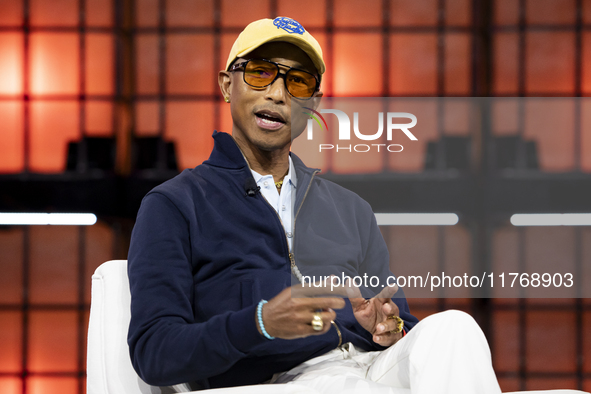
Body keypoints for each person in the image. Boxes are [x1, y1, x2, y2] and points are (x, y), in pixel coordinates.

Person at [127, 17, 503, 394]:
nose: (278, 94)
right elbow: (154, 351)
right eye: (260, 73)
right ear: (227, 85)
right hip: (274, 381)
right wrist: (260, 323)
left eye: (298, 82)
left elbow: (397, 322)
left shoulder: (350, 208)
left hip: (370, 365)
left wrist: (387, 328)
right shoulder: (174, 205)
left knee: (455, 326)